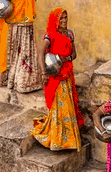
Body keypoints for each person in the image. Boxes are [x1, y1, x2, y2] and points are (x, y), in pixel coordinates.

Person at [30, 8, 83, 151]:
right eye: (61, 18)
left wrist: (65, 58)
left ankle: (68, 139)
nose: (64, 21)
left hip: (67, 74)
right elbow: (40, 53)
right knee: (60, 107)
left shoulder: (70, 34)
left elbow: (74, 54)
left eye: (65, 17)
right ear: (55, 21)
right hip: (55, 76)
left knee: (68, 107)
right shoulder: (50, 36)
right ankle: (58, 140)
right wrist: (43, 73)